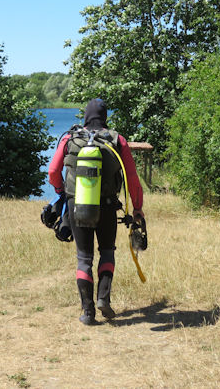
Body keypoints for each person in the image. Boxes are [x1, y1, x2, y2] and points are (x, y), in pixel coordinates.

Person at [48, 98, 145, 325]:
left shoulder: (69, 138)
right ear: (105, 117)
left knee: (84, 258)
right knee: (107, 251)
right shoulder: (116, 139)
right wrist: (138, 208)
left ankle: (87, 312)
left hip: (77, 204)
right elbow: (132, 179)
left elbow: (53, 171)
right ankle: (103, 298)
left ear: (85, 116)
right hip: (108, 205)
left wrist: (62, 191)